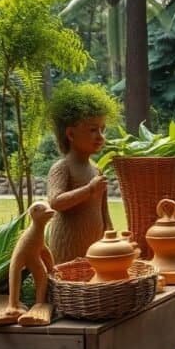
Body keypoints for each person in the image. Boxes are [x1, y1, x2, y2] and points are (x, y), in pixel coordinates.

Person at [46, 82, 119, 263]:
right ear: (70, 134)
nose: (100, 137)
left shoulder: (96, 169)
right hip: (67, 248)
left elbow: (103, 210)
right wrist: (89, 190)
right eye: (93, 130)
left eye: (102, 130)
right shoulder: (62, 168)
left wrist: (110, 234)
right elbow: (55, 202)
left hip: (95, 248)